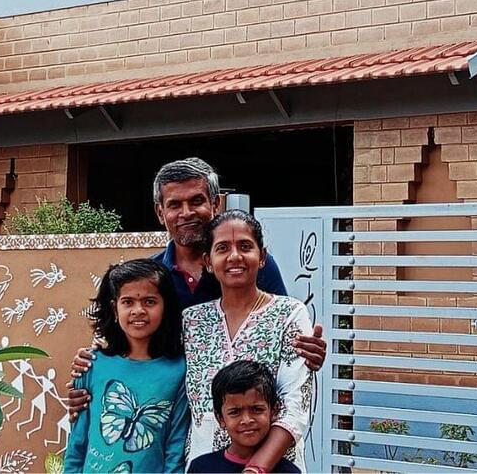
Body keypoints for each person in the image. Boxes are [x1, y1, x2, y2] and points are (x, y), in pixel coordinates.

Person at [69, 158, 326, 415]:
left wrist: (305, 352)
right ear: (160, 212)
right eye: (174, 205)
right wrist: (90, 371)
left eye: (196, 201)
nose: (186, 213)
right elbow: (120, 344)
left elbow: (282, 336)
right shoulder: (149, 279)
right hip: (166, 415)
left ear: (215, 204)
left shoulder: (251, 268)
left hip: (245, 418)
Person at [181, 210, 313, 472]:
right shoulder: (192, 320)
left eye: (245, 246)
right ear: (208, 261)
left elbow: (296, 403)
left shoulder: (289, 314)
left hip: (275, 465)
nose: (234, 256)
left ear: (262, 256)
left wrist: (257, 468)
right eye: (222, 248)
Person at [64, 259, 190, 473]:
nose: (138, 310)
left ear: (165, 307)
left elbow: (175, 449)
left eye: (149, 301)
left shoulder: (179, 371)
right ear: (115, 309)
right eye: (128, 302)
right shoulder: (92, 365)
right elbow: (77, 443)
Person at [188, 361, 301, 473]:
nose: (247, 420)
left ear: (274, 411)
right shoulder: (201, 468)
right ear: (220, 418)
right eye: (235, 412)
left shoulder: (288, 471)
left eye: (257, 409)